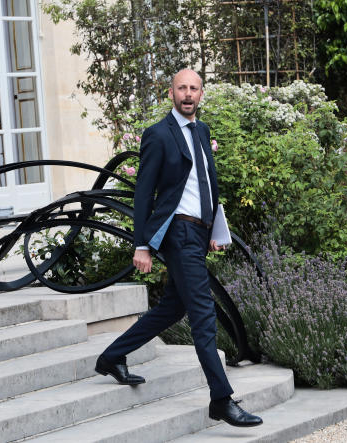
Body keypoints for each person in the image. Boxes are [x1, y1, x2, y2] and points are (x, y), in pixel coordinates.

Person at [94, 69, 263, 427]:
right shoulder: (158, 135)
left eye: (194, 88)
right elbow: (144, 193)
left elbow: (206, 185)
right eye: (182, 88)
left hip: (199, 235)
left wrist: (216, 228)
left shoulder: (202, 131)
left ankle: (112, 356)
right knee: (204, 317)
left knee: (173, 308)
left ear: (202, 94)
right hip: (178, 235)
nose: (188, 94)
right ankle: (221, 398)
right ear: (170, 92)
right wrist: (141, 245)